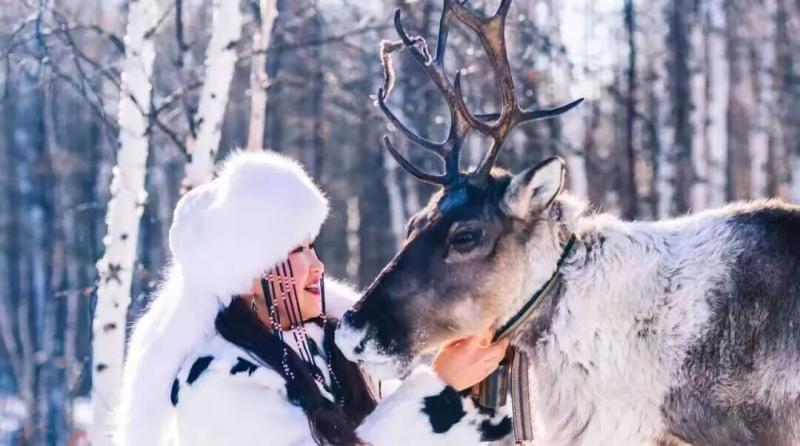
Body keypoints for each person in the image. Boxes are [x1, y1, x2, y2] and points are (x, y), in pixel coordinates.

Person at [115, 151, 511, 446]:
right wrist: (441, 385)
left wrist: (474, 394)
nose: (317, 267)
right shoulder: (217, 386)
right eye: (296, 252)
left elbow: (398, 430)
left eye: (312, 248)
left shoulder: (323, 350)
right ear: (247, 277)